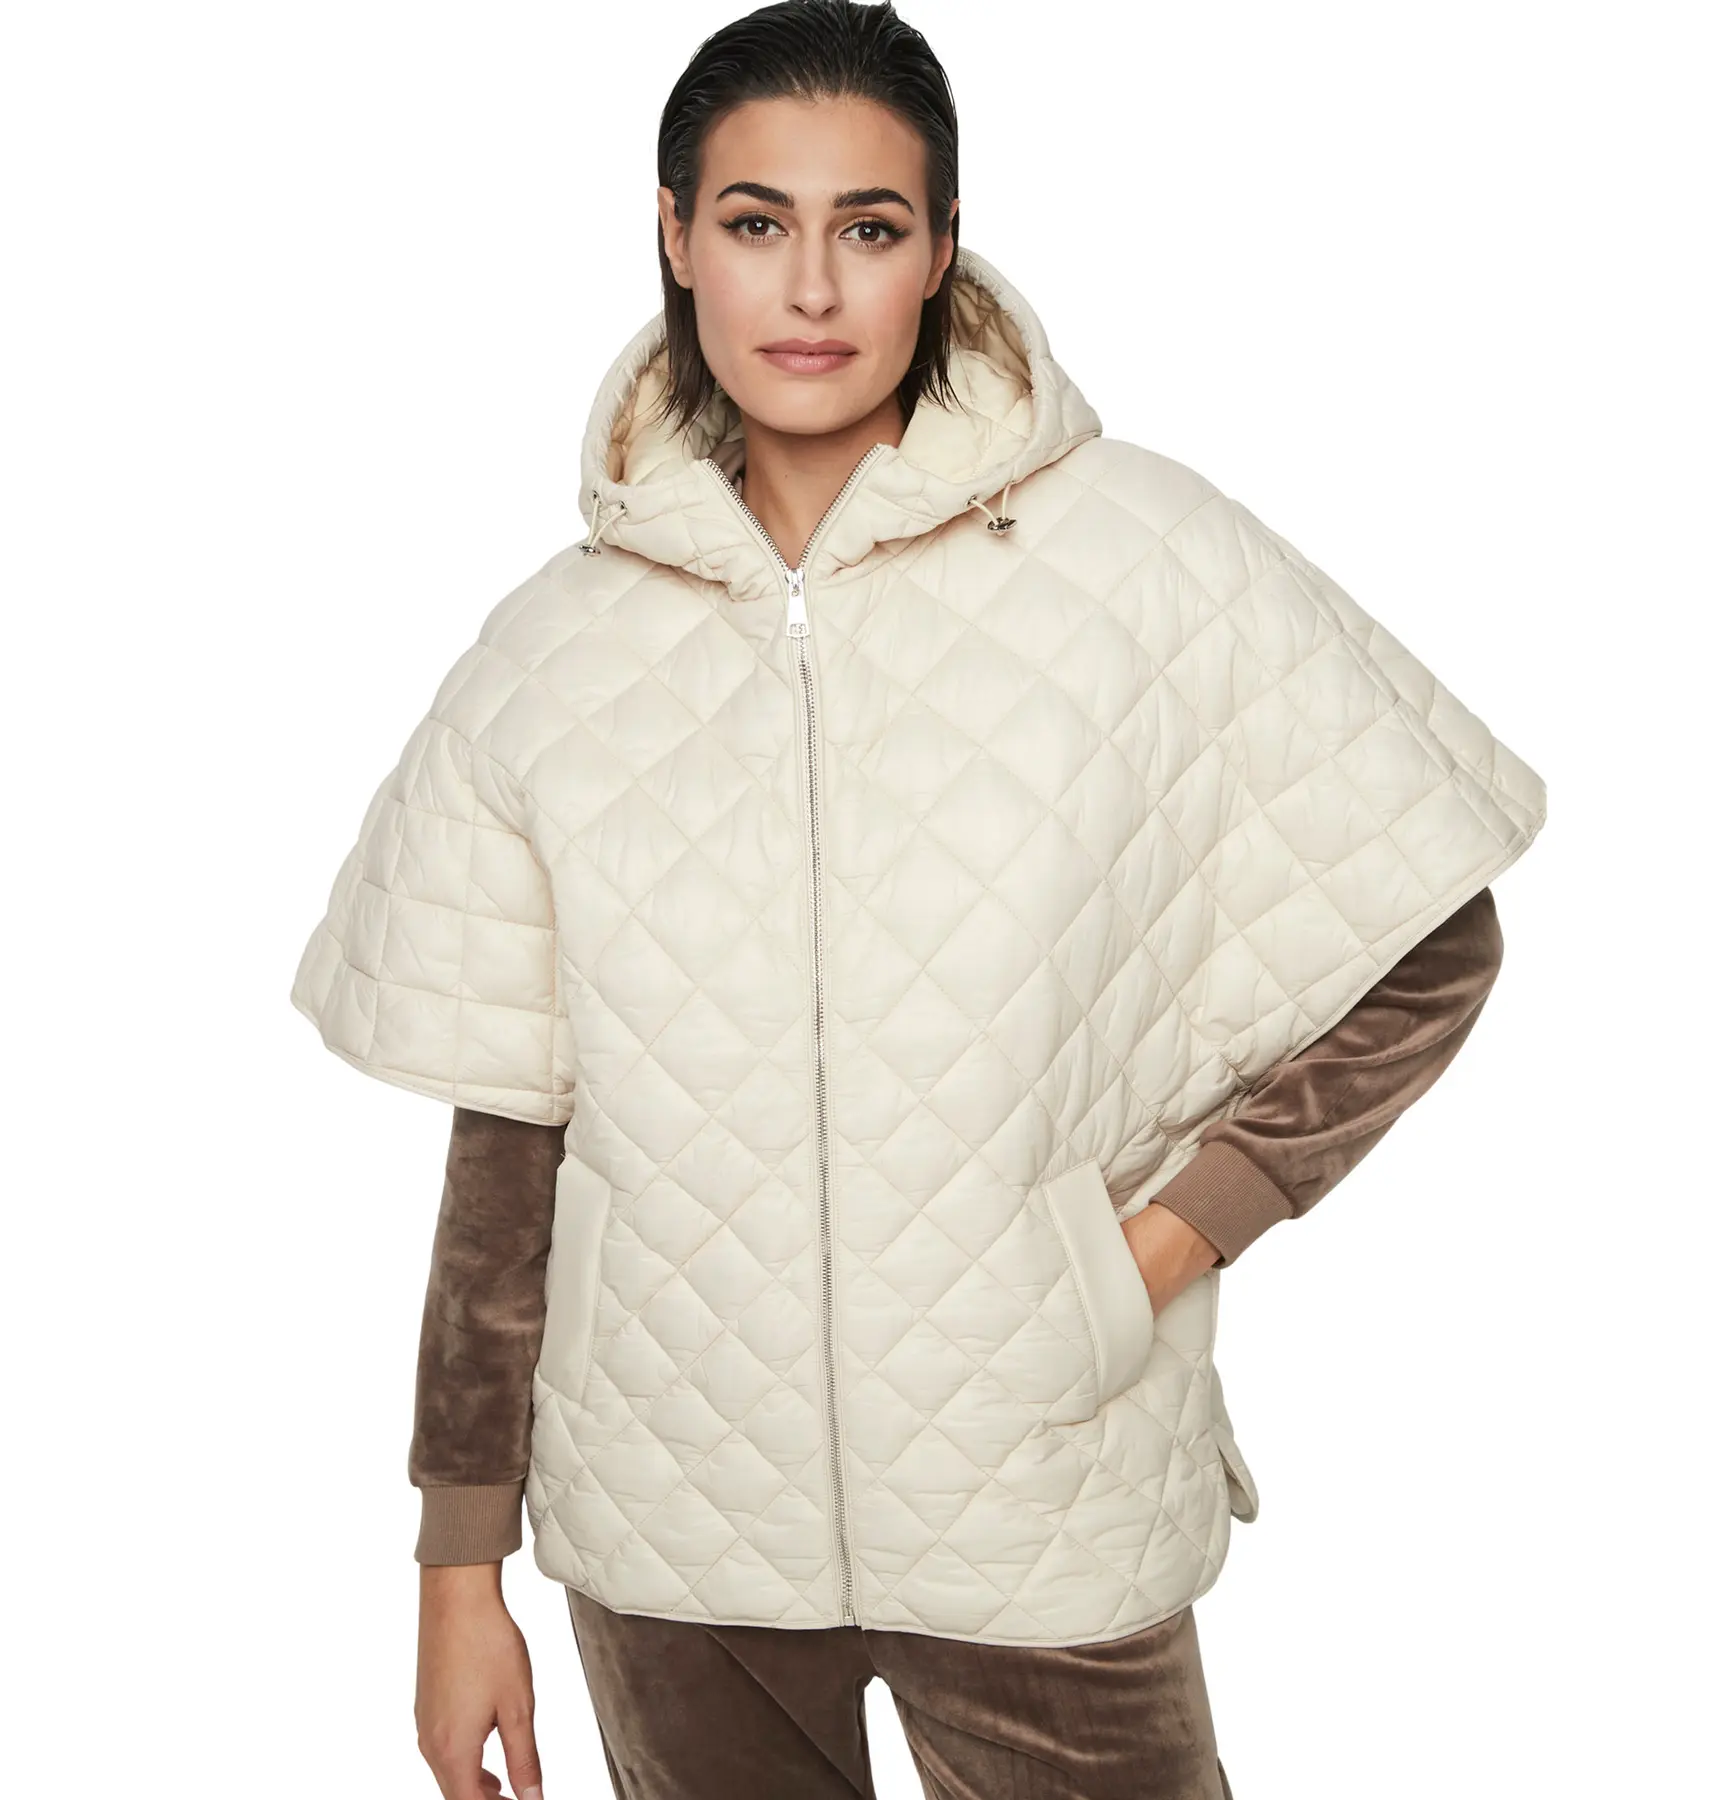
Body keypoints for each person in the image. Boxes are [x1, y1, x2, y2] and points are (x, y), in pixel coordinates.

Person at [289, 3, 1548, 1795]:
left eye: (868, 226)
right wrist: (455, 1565)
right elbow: (509, 1152)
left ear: (943, 250)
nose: (811, 287)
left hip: (1042, 1492)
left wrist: (1154, 1252)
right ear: (675, 235)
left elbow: (1430, 941)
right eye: (755, 222)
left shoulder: (1146, 557)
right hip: (671, 1537)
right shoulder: (552, 656)